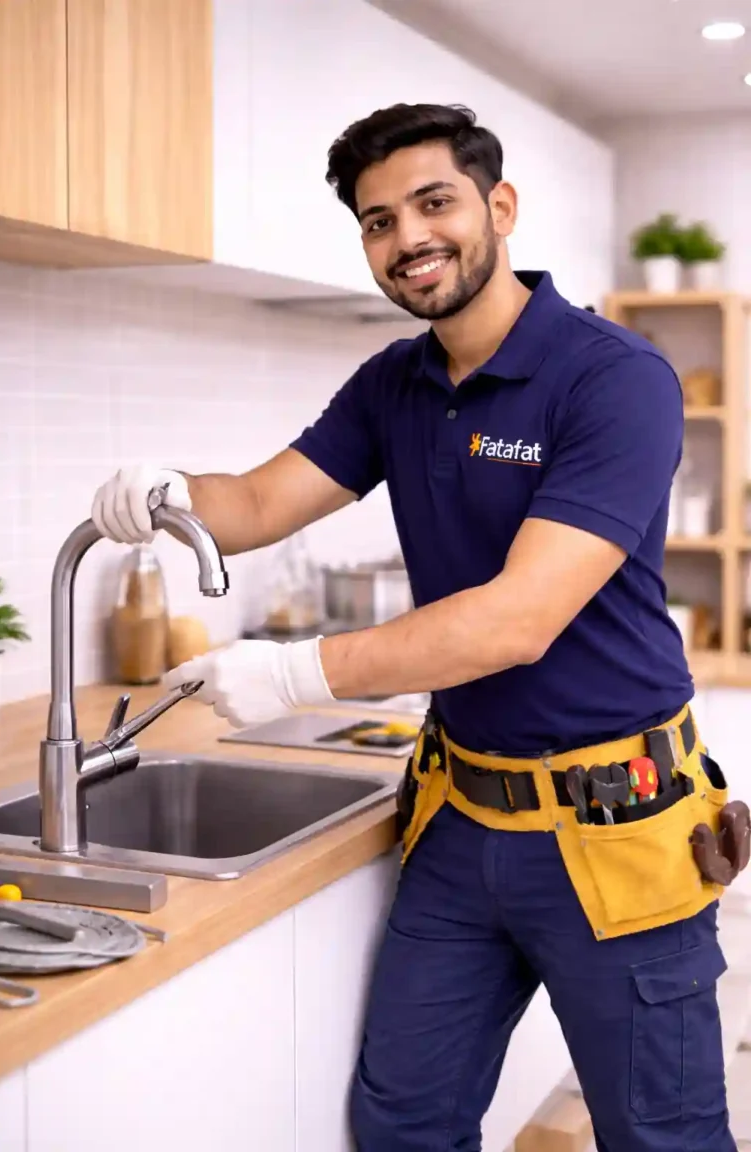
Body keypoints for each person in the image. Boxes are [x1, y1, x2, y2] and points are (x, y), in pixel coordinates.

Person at [91, 104, 739, 1151]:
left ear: (500, 206)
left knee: (663, 1138)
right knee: (405, 1127)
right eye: (378, 221)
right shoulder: (394, 381)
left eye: (434, 203)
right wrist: (170, 493)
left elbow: (519, 620)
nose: (409, 238)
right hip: (459, 818)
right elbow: (256, 503)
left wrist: (298, 673)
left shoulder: (615, 377)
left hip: (619, 825)